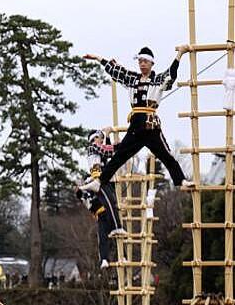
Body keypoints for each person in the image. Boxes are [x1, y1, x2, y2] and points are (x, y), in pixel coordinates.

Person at [81, 46, 192, 193]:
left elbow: (170, 75)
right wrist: (97, 58)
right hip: (136, 125)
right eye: (140, 61)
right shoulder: (132, 79)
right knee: (120, 155)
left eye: (145, 61)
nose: (142, 64)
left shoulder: (157, 80)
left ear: (152, 63)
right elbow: (116, 71)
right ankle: (99, 181)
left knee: (166, 155)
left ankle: (181, 180)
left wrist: (180, 54)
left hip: (151, 125)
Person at [76, 128, 126, 269]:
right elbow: (109, 151)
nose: (101, 140)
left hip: (103, 191)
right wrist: (121, 144)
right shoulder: (94, 147)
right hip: (100, 203)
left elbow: (109, 156)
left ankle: (116, 256)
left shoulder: (98, 152)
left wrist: (110, 139)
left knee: (109, 232)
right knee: (106, 232)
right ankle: (105, 257)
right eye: (100, 138)